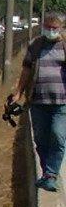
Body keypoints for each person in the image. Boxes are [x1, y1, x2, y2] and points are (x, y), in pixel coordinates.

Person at [14, 11, 66, 191]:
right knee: (41, 139)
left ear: (61, 28)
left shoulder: (64, 46)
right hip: (38, 101)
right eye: (48, 27)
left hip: (61, 102)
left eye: (54, 28)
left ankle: (51, 174)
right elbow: (26, 70)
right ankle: (47, 173)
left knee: (58, 137)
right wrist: (18, 92)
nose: (51, 30)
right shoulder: (36, 45)